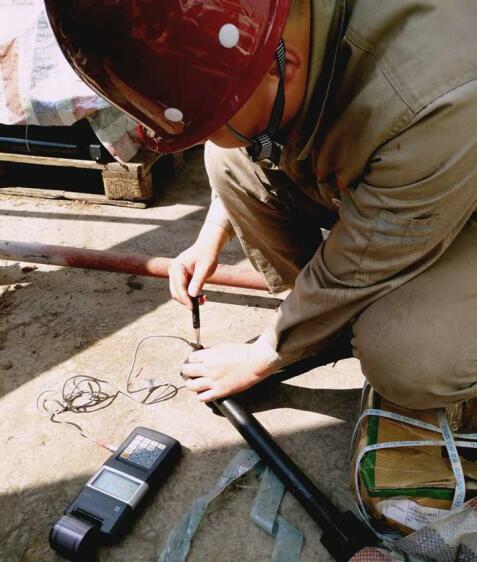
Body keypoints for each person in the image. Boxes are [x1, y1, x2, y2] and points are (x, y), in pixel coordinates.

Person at [46, 0, 477, 411]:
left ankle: (326, 325)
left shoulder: (429, 104)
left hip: (460, 202)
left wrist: (262, 356)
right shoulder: (287, 31)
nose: (206, 138)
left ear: (283, 69)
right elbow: (251, 148)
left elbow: (363, 261)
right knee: (229, 160)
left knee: (406, 359)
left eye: (213, 123)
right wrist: (211, 237)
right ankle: (320, 326)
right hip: (414, 187)